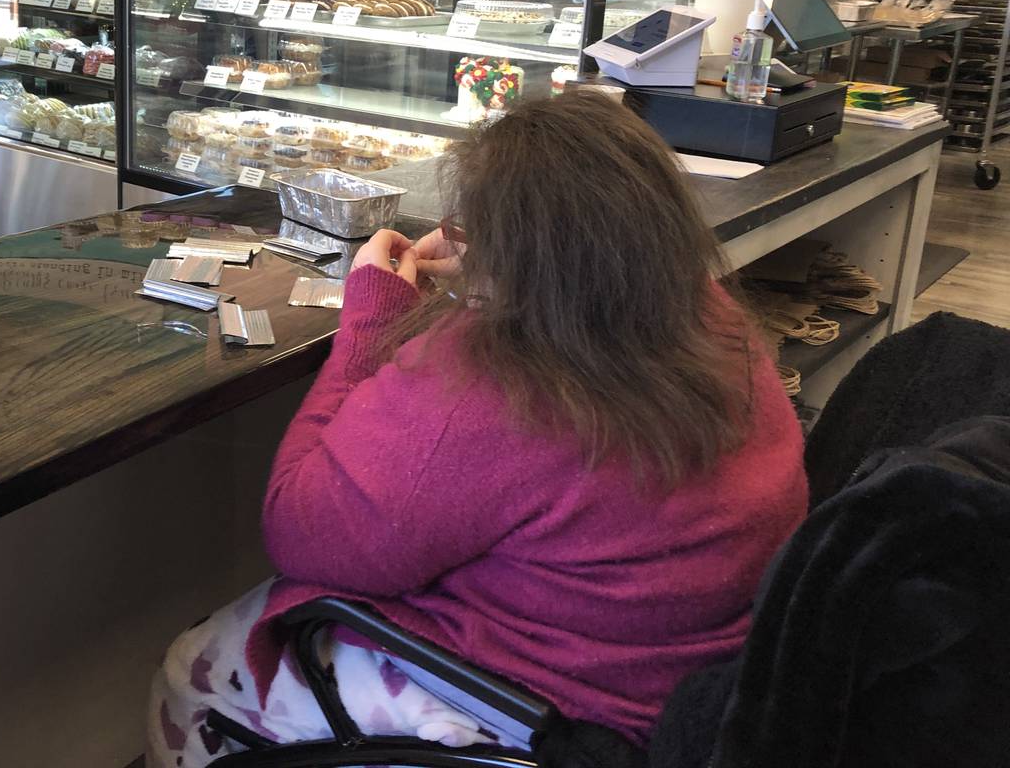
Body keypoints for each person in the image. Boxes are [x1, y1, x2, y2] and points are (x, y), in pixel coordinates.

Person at [147, 90, 809, 766]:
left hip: (577, 714)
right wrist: (505, 266)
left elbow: (302, 531)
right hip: (704, 678)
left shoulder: (496, 377)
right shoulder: (707, 311)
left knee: (190, 668)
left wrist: (371, 321)